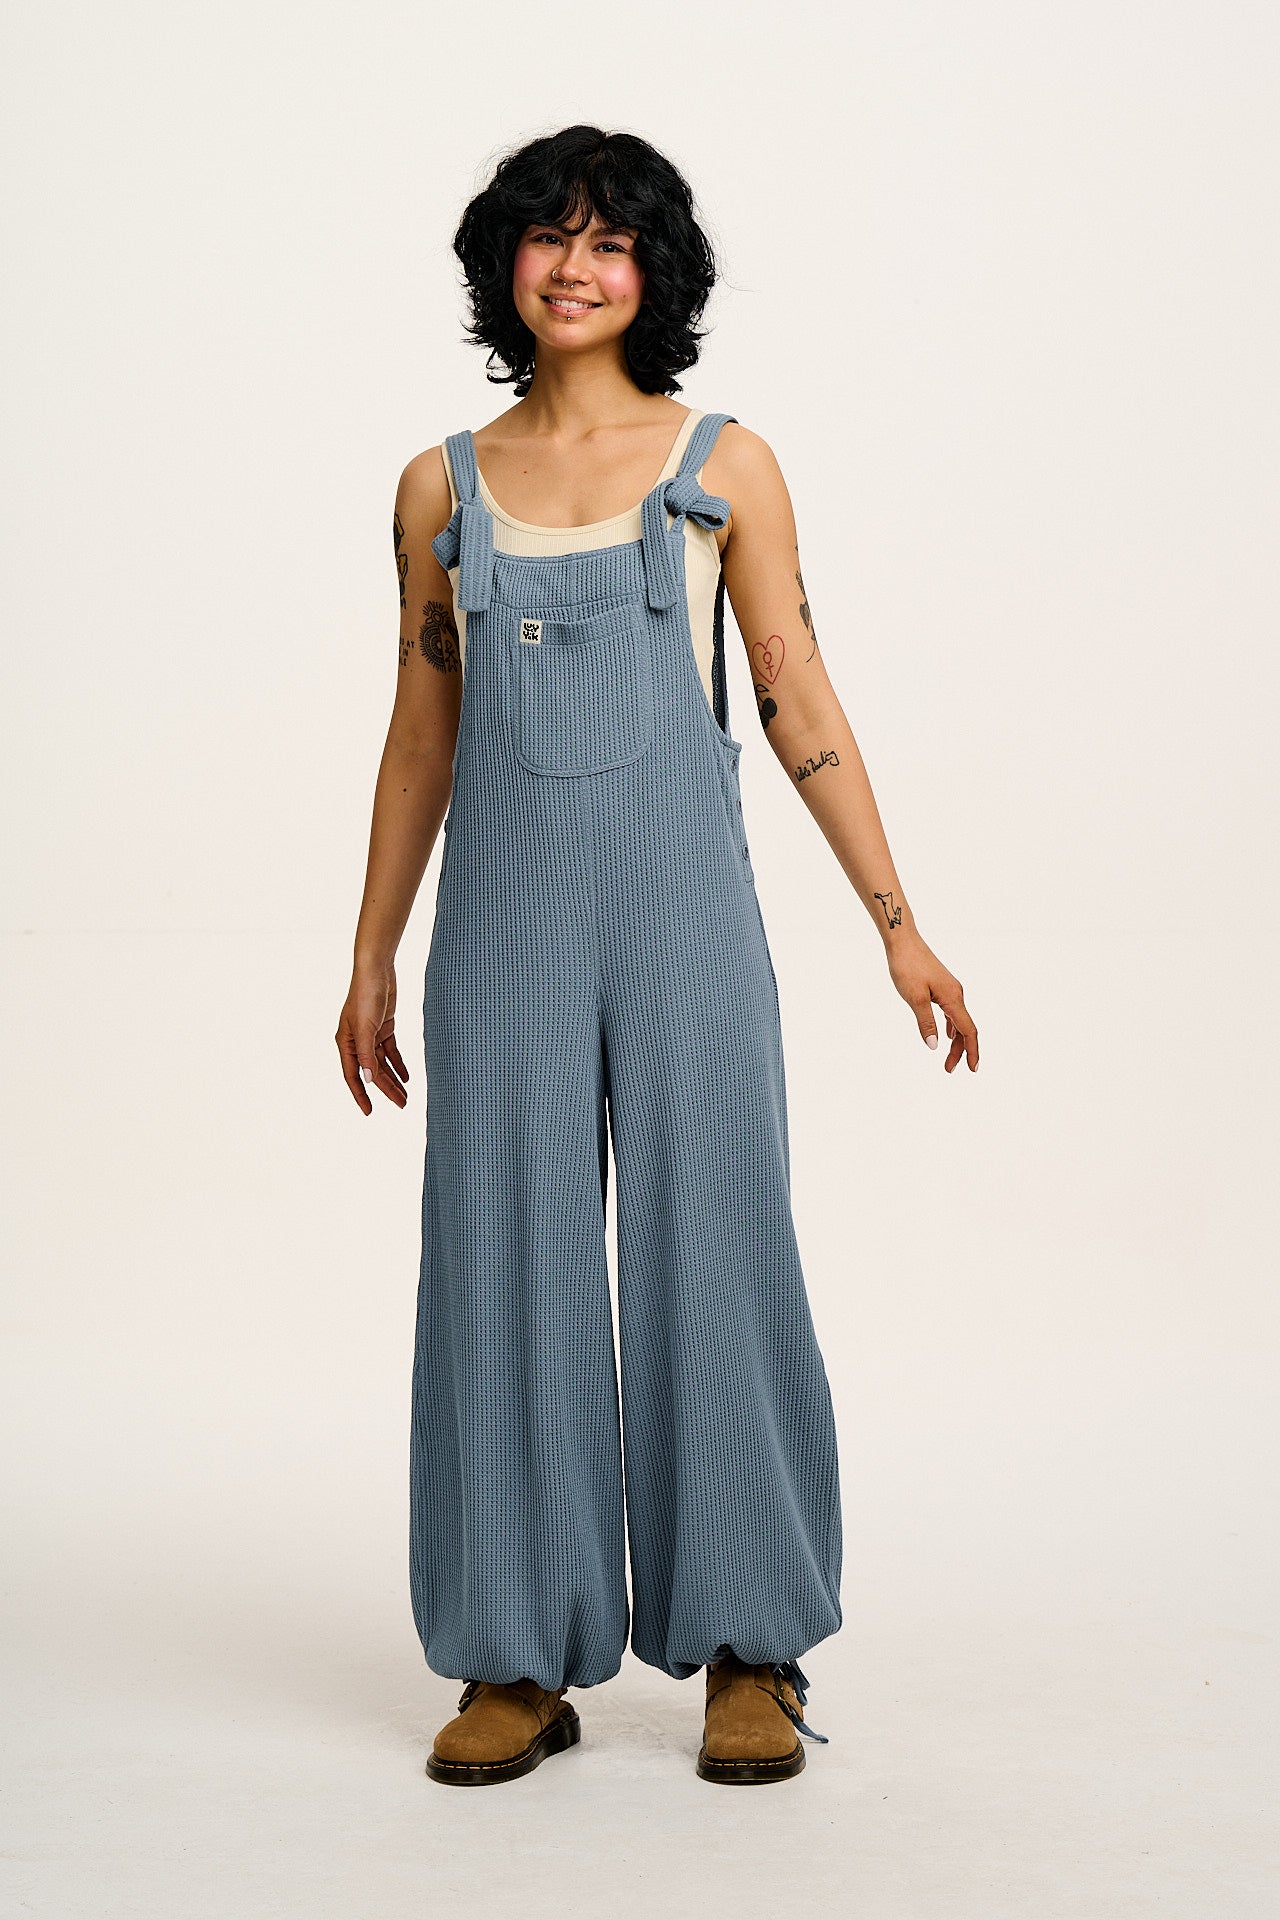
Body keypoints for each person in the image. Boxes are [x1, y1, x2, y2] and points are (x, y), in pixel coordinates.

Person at [336, 124, 979, 1790]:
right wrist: (372, 951)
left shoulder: (726, 464)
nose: (575, 266)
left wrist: (899, 926)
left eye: (610, 241)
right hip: (504, 931)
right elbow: (419, 733)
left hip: (687, 921)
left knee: (719, 1250)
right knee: (502, 1257)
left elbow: (796, 690)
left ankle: (753, 1647)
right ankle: (511, 1656)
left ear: (653, 272)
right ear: (504, 263)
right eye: (548, 236)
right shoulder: (441, 489)